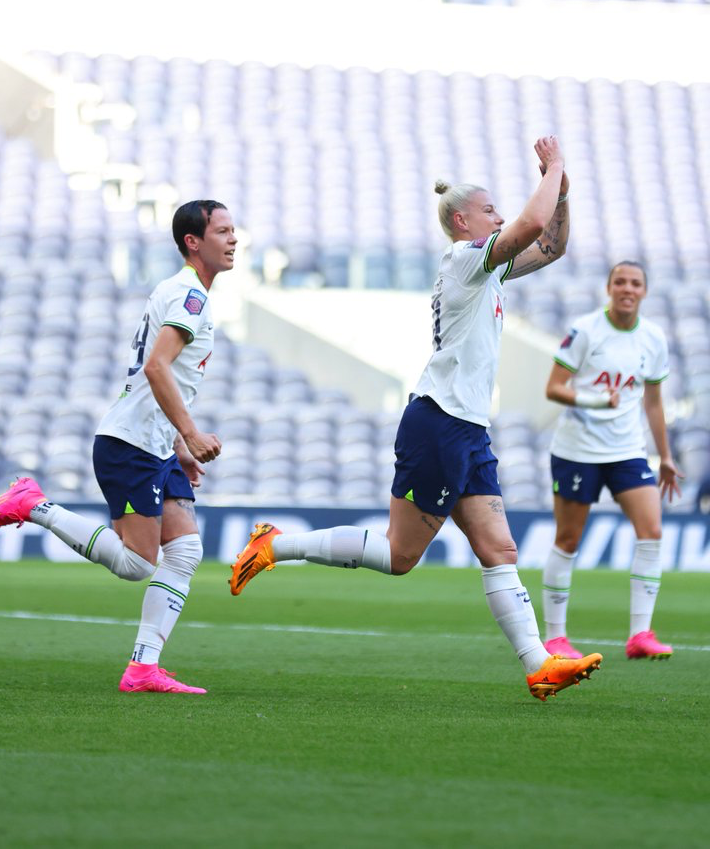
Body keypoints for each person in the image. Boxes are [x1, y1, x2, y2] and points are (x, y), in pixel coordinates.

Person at [230, 135, 603, 701]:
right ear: (461, 220)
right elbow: (530, 226)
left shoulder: (487, 271)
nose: (499, 216)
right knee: (399, 556)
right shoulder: (465, 259)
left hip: (467, 428)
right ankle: (274, 544)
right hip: (440, 423)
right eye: (489, 210)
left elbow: (551, 246)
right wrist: (554, 168)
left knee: (499, 550)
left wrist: (564, 193)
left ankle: (540, 666)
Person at [0, 199, 236, 693]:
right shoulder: (189, 295)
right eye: (223, 231)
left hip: (154, 443)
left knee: (185, 550)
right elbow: (156, 367)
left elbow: (161, 377)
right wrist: (190, 433)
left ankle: (143, 668)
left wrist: (177, 444)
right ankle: (33, 505)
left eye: (234, 231)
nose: (234, 240)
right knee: (137, 564)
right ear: (193, 241)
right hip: (132, 444)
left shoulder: (182, 290)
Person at [541, 260, 683, 661]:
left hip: (627, 450)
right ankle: (555, 638)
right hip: (578, 450)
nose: (627, 289)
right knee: (568, 540)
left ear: (644, 291)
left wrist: (666, 456)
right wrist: (597, 401)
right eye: (620, 282)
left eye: (635, 283)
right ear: (609, 288)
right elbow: (553, 388)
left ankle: (640, 635)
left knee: (651, 531)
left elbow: (653, 403)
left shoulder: (653, 337)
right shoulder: (585, 330)